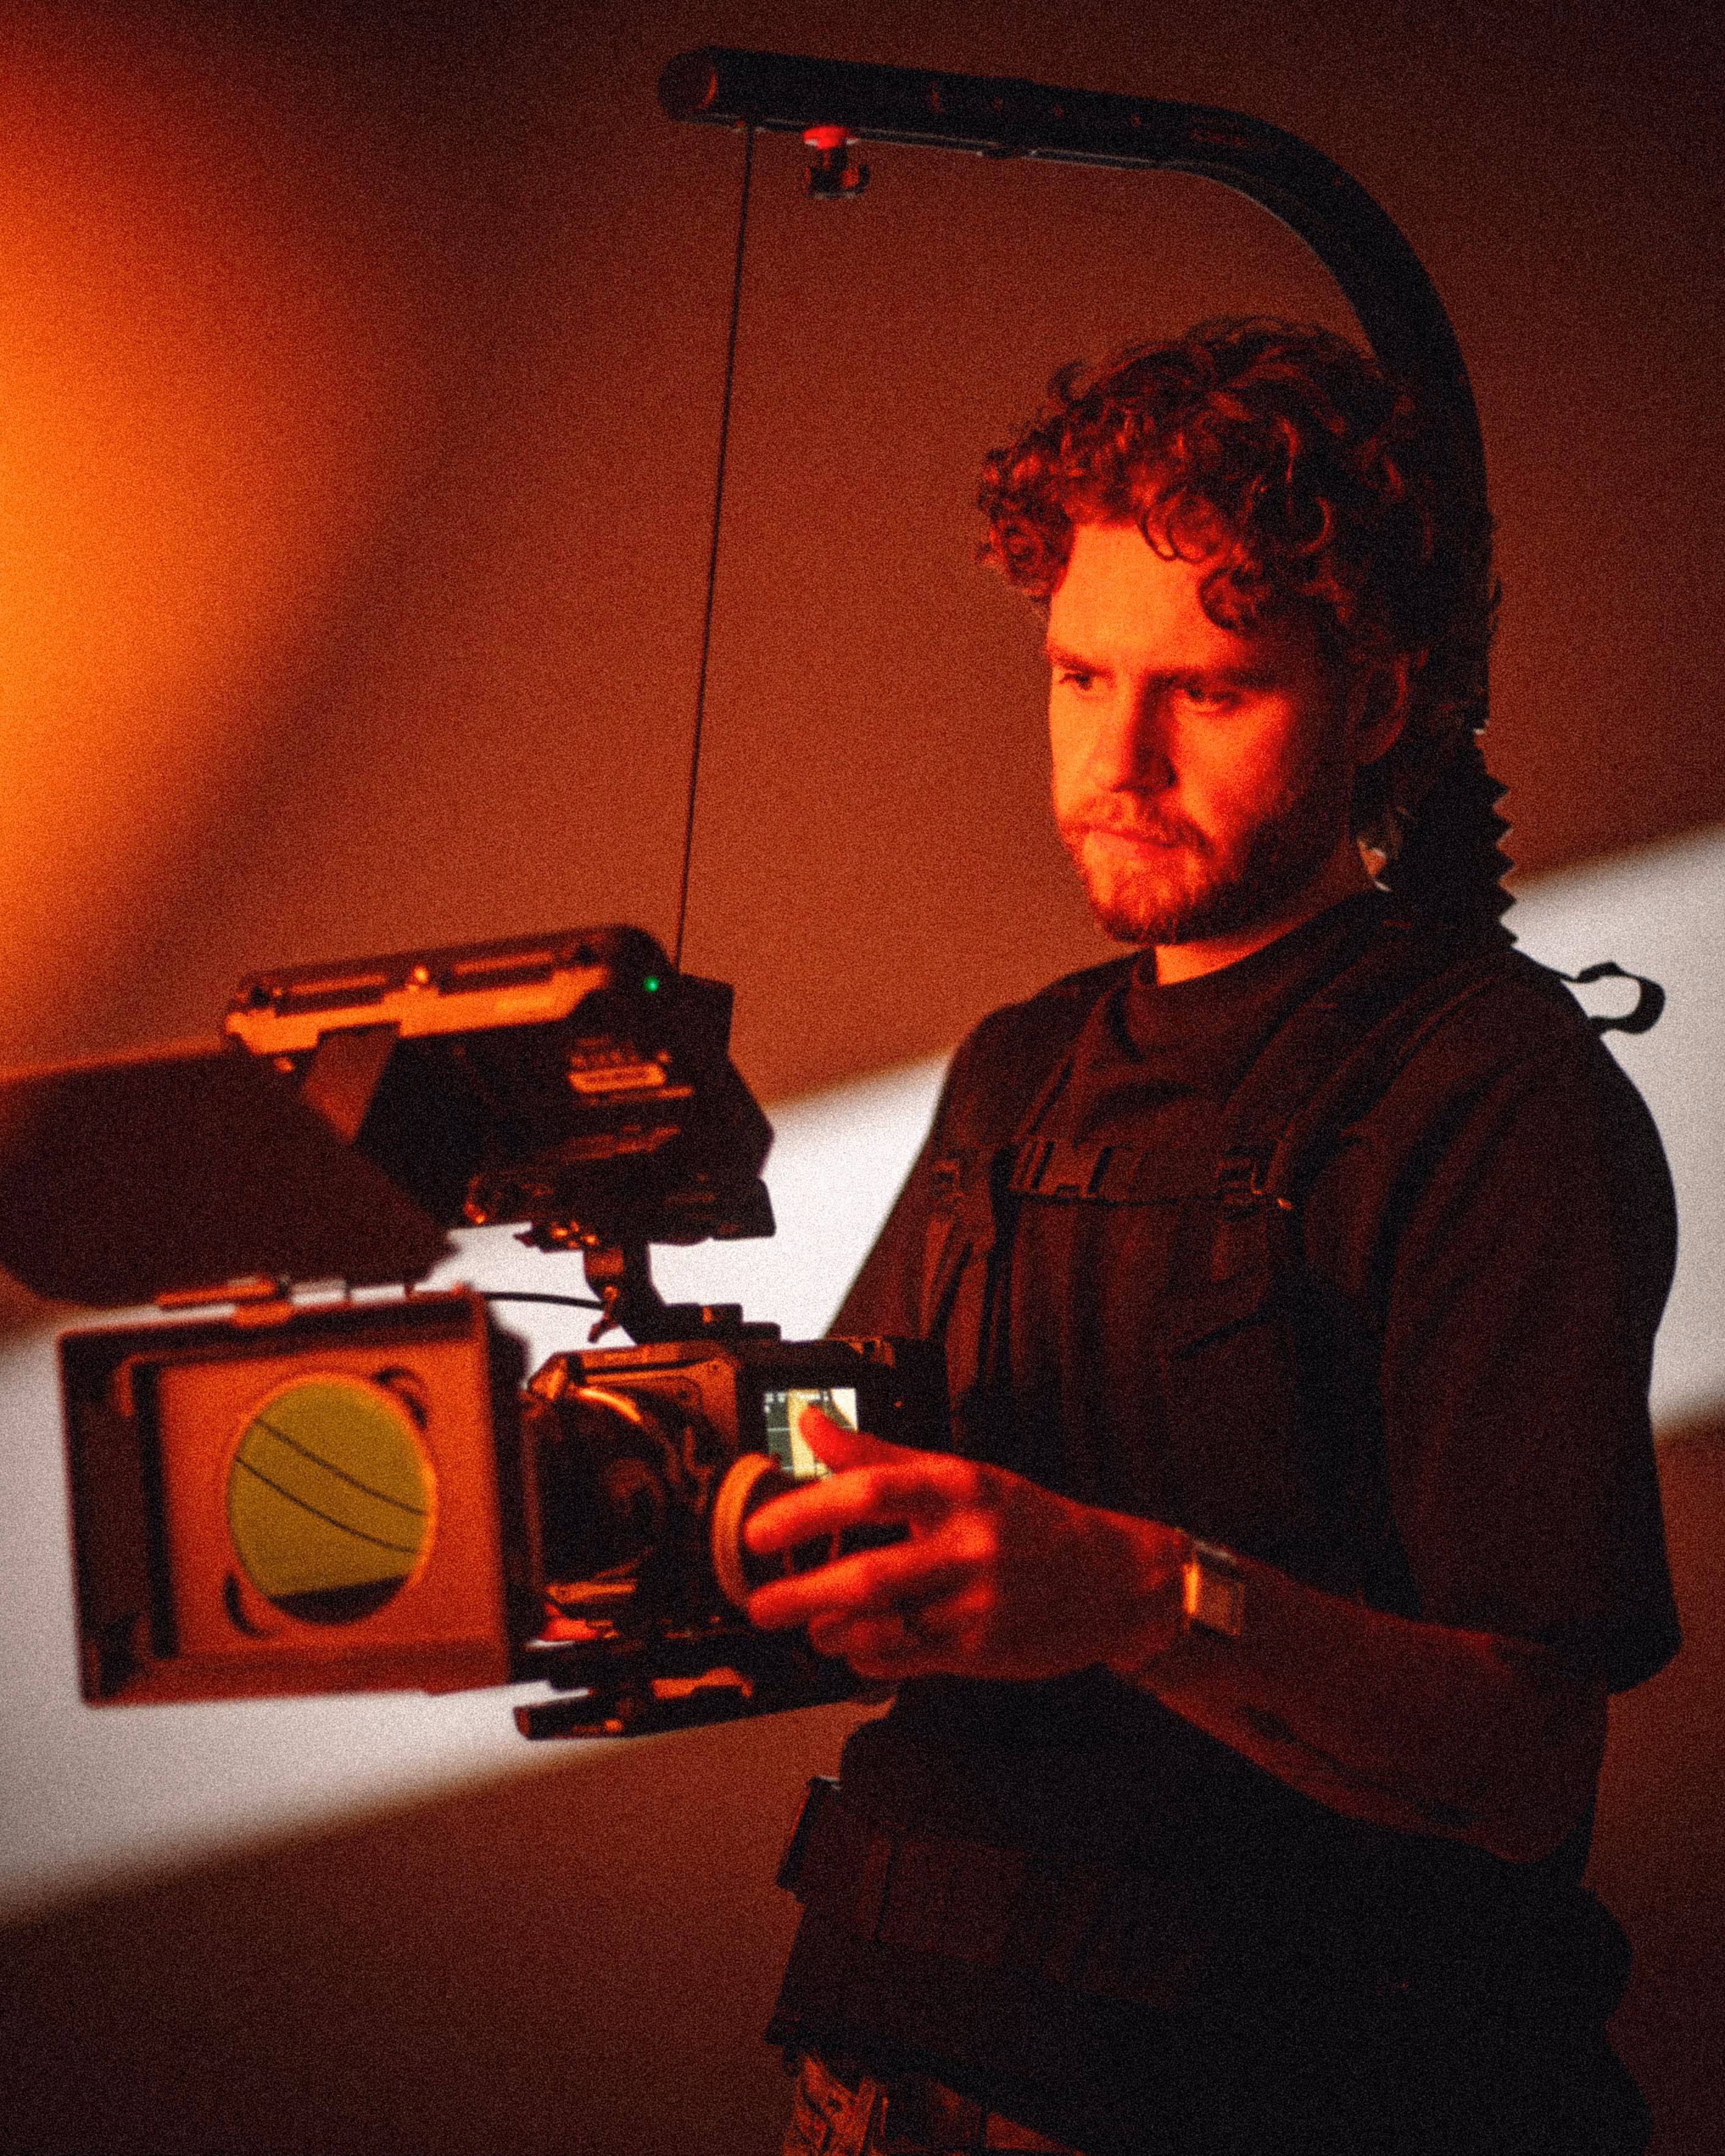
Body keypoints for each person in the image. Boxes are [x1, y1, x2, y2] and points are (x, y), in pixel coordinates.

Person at [742, 319, 1679, 2156]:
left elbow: (1523, 1758)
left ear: (1385, 700)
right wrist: (720, 1500)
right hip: (896, 2073)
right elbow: (875, 1502)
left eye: (1214, 689)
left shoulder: (1488, 1087)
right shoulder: (1023, 1070)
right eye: (1080, 675)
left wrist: (1143, 1592)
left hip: (1274, 2098)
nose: (1122, 756)